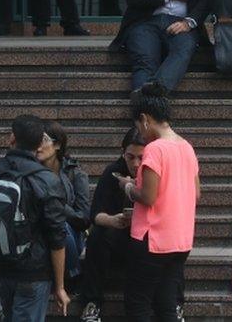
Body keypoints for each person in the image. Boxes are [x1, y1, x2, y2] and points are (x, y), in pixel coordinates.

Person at [0, 114, 69, 322]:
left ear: (12, 138)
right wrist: (59, 286)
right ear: (41, 142)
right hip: (33, 271)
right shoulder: (47, 180)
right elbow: (57, 238)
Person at [115, 83, 199, 320]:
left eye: (138, 127)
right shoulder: (186, 147)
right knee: (166, 305)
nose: (140, 133)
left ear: (144, 119)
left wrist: (128, 186)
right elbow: (196, 193)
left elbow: (148, 196)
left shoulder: (155, 149)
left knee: (138, 304)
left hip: (151, 240)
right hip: (180, 240)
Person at [77, 127, 146, 322]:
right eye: (130, 157)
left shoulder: (153, 174)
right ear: (122, 153)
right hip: (117, 236)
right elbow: (95, 214)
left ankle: (173, 305)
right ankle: (92, 304)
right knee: (98, 235)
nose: (135, 163)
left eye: (141, 157)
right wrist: (113, 220)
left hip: (147, 238)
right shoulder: (113, 172)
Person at [37, 121, 90, 280]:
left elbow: (84, 218)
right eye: (35, 142)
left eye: (43, 140)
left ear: (57, 144)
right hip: (38, 233)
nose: (37, 146)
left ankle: (70, 274)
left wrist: (56, 205)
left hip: (69, 235)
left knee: (59, 223)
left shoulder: (75, 174)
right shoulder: (29, 172)